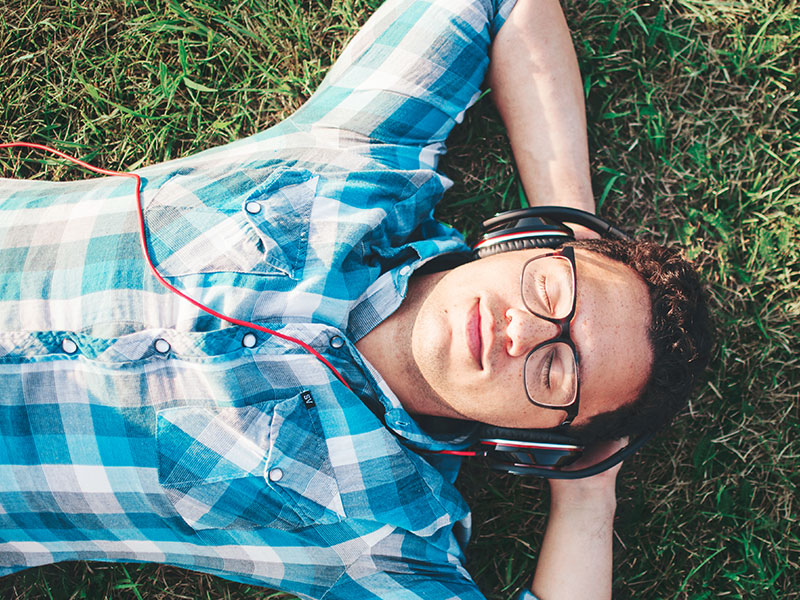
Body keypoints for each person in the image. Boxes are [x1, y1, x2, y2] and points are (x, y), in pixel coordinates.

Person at [0, 0, 710, 598]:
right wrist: (569, 220)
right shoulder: (358, 162)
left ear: (533, 446)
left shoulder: (389, 537)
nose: (521, 331)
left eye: (556, 372)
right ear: (524, 240)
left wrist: (588, 496)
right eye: (551, 289)